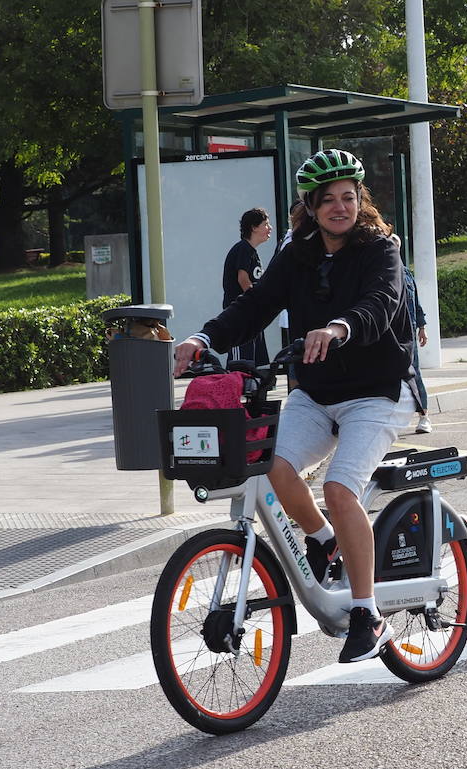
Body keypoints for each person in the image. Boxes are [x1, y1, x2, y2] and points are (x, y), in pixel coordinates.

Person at [174, 149, 416, 664]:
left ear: (359, 200)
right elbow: (254, 306)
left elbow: (380, 303)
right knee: (276, 469)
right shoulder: (299, 251)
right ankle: (328, 543)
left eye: (348, 197)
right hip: (316, 391)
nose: (339, 207)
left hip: (377, 392)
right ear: (311, 205)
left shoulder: (381, 250)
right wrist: (202, 338)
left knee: (337, 486)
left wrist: (337, 328)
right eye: (327, 199)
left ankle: (367, 615)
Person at [390, 234, 433, 433]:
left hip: (407, 334)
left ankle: (424, 416)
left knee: (414, 374)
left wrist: (422, 327)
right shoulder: (380, 275)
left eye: (395, 246)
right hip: (388, 335)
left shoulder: (406, 274)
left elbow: (416, 304)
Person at [221, 207, 274, 364]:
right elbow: (242, 278)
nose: (269, 228)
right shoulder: (243, 249)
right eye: (265, 224)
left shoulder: (252, 252)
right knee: (241, 362)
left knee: (258, 361)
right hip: (240, 314)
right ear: (253, 227)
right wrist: (255, 301)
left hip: (252, 315)